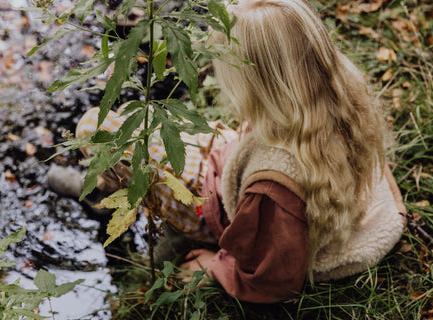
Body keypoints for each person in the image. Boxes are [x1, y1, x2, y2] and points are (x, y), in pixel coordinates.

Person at [48, 0, 406, 304]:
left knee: (95, 128)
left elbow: (276, 277)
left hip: (214, 207)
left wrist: (214, 269)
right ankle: (109, 186)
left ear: (263, 84)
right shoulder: (332, 97)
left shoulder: (274, 191)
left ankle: (117, 196)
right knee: (147, 136)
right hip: (236, 167)